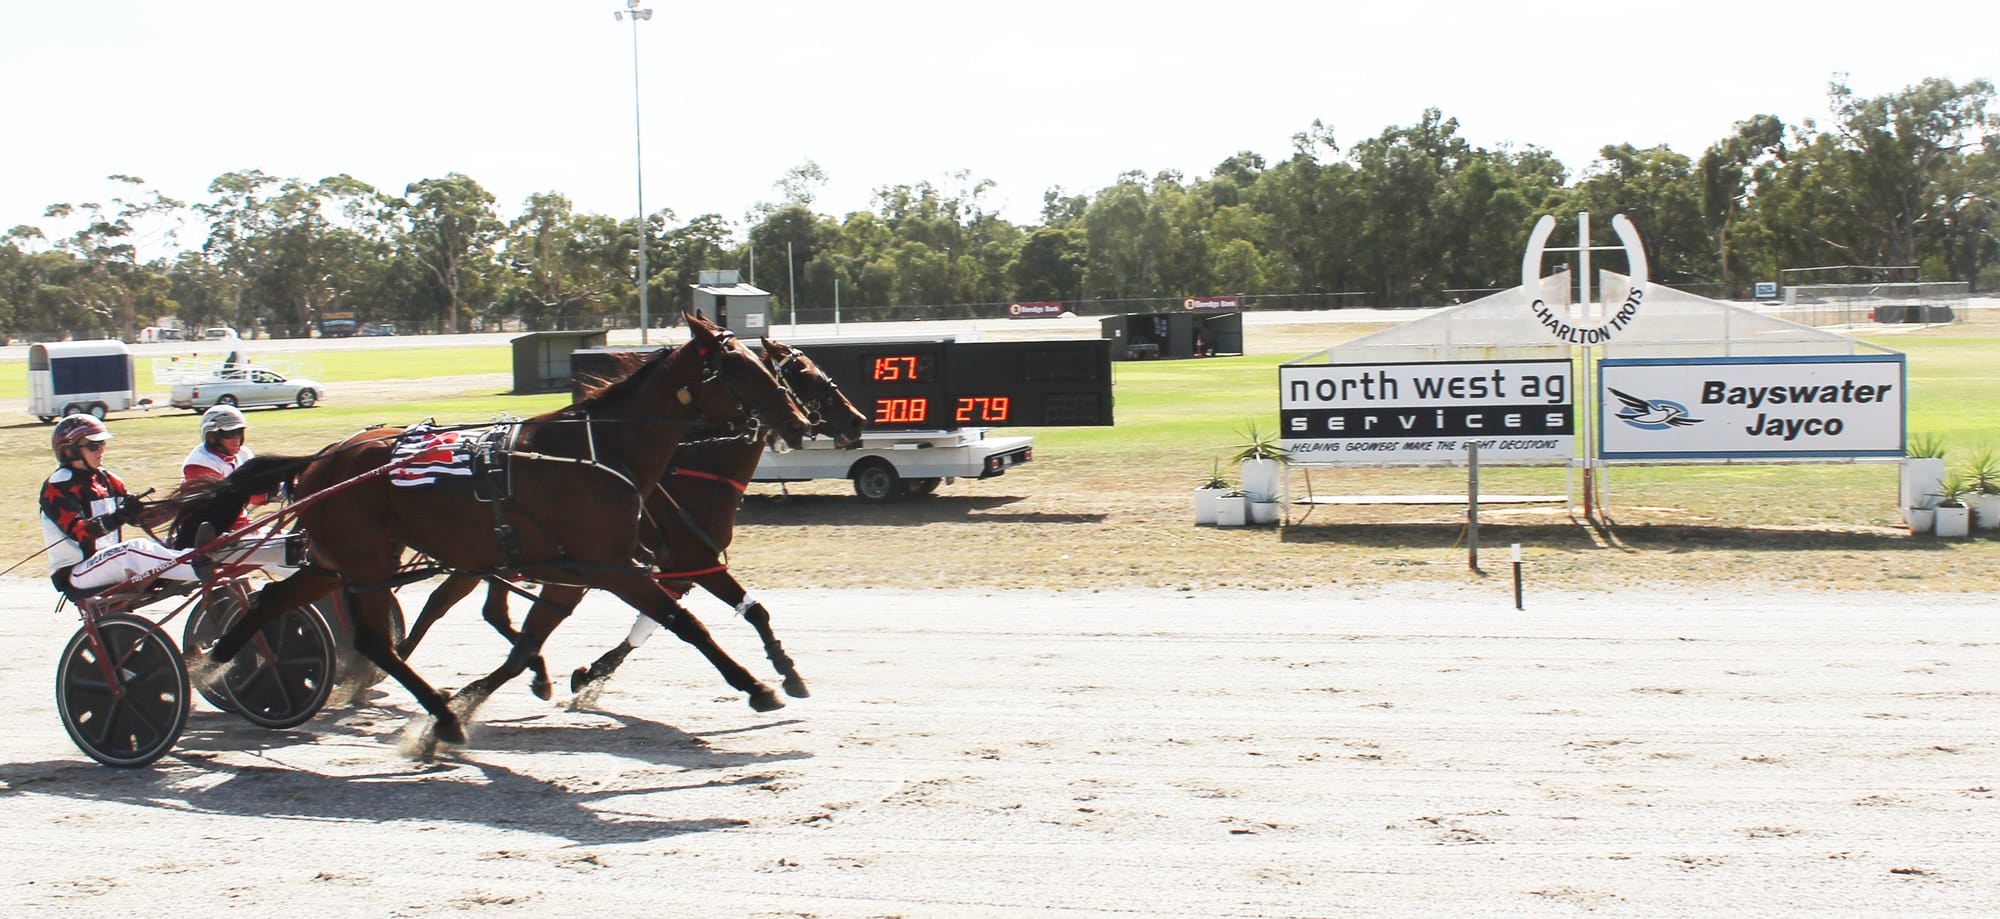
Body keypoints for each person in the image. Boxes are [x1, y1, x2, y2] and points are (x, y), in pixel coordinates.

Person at [41, 414, 206, 595]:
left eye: (102, 444)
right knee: (134, 550)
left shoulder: (107, 479)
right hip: (76, 573)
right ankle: (199, 568)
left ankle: (210, 556)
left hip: (105, 563)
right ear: (69, 451)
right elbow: (81, 533)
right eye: (93, 446)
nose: (100, 450)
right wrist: (119, 516)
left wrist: (183, 505)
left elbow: (142, 520)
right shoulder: (58, 485)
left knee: (172, 541)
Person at [180, 404, 295, 569]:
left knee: (297, 542)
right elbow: (233, 497)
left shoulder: (244, 454)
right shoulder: (199, 464)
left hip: (241, 526)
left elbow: (258, 483)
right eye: (229, 434)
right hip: (211, 534)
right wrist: (271, 493)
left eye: (239, 432)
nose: (236, 438)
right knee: (288, 553)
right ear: (212, 437)